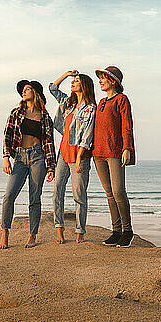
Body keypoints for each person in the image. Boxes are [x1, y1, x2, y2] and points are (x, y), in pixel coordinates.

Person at [0, 80, 55, 249]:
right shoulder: (16, 113)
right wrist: (5, 157)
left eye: (27, 89)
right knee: (9, 196)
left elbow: (49, 142)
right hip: (20, 158)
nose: (24, 92)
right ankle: (5, 232)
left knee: (34, 198)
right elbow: (7, 135)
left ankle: (32, 235)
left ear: (35, 93)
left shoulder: (45, 117)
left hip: (38, 157)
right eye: (23, 90)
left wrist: (51, 166)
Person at [49, 70, 96, 244]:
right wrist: (66, 74)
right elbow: (53, 88)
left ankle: (80, 231)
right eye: (73, 81)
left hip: (79, 156)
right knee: (57, 193)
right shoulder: (68, 103)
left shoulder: (90, 108)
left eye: (76, 81)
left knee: (79, 195)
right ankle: (59, 229)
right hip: (63, 153)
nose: (73, 83)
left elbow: (87, 136)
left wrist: (78, 159)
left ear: (84, 85)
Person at [92, 66, 136, 248]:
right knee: (109, 193)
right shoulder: (101, 102)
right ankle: (116, 231)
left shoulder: (121, 100)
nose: (100, 81)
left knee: (118, 191)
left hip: (115, 152)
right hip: (98, 153)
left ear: (113, 81)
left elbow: (127, 125)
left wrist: (127, 148)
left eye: (103, 78)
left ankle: (127, 231)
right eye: (100, 78)